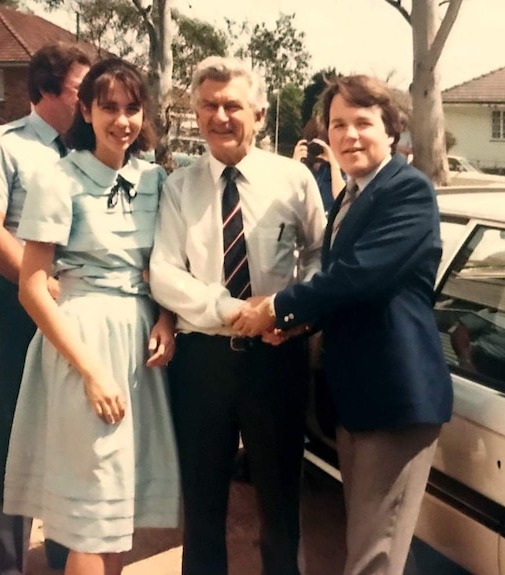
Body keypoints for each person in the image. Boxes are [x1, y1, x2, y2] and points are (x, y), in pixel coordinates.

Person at [230, 74, 453, 575]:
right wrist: (300, 327)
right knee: (380, 543)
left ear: (391, 131)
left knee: (373, 555)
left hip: (395, 399)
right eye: (338, 124)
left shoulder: (408, 191)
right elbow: (345, 291)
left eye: (362, 123)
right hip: (359, 398)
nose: (349, 135)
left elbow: (358, 277)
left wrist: (279, 308)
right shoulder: (352, 195)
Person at [3, 58, 181, 575]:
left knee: (118, 508)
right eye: (108, 108)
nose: (121, 120)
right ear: (85, 109)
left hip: (137, 349)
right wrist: (89, 370)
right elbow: (33, 288)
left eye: (131, 108)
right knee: (91, 511)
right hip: (85, 344)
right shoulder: (59, 177)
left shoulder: (155, 181)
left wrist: (165, 321)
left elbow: (166, 268)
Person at [149, 56, 326, 575]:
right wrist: (230, 311)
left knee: (278, 501)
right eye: (209, 105)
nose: (220, 116)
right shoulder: (178, 187)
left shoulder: (294, 180)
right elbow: (163, 272)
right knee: (203, 504)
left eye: (233, 105)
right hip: (203, 363)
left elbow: (320, 256)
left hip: (277, 356)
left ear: (260, 113)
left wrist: (292, 313)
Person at [0, 41, 91, 575]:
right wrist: (39, 286)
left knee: (70, 433)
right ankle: (10, 563)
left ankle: (64, 555)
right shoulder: (5, 146)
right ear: (45, 90)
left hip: (83, 311)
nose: (91, 104)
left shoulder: (92, 148)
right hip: (20, 304)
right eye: (81, 92)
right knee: (15, 430)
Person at [292, 117, 344, 211]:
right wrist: (294, 165)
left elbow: (342, 200)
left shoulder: (340, 170)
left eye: (322, 143)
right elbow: (286, 197)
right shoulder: (302, 169)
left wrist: (334, 165)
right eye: (313, 143)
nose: (317, 147)